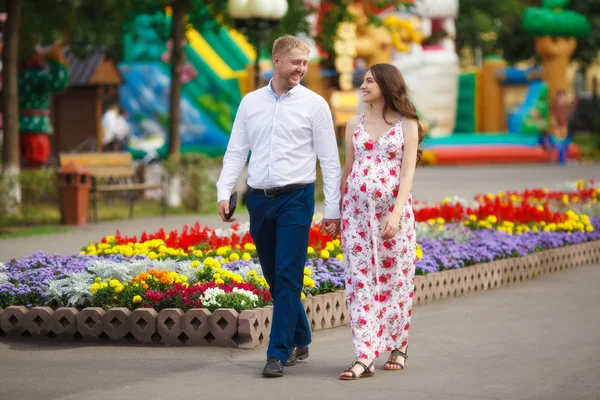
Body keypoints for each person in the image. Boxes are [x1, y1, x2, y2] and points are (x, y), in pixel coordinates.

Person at [216, 35, 342, 378]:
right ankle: (300, 335)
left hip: (296, 198)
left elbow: (329, 160)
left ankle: (277, 352)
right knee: (274, 276)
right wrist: (224, 191)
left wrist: (333, 209)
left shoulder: (315, 104)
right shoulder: (250, 103)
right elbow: (236, 151)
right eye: (295, 62)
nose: (301, 68)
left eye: (305, 63)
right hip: (259, 200)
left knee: (288, 275)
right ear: (277, 60)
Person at [338, 64, 423, 380]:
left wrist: (397, 213)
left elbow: (407, 173)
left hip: (393, 217)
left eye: (369, 81)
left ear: (387, 85)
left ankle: (399, 345)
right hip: (357, 219)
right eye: (363, 81)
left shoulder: (407, 125)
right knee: (360, 283)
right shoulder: (353, 124)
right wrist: (335, 212)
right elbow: (348, 170)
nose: (363, 85)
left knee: (395, 282)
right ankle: (364, 355)